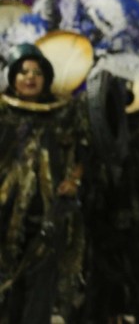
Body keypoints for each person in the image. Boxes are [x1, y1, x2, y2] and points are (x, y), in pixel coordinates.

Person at [0, 43, 87, 323]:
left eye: (37, 72)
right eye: (23, 71)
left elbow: (84, 153)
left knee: (40, 297)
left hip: (50, 217)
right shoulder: (3, 115)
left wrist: (74, 180)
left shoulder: (63, 115)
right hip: (4, 221)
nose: (30, 77)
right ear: (12, 77)